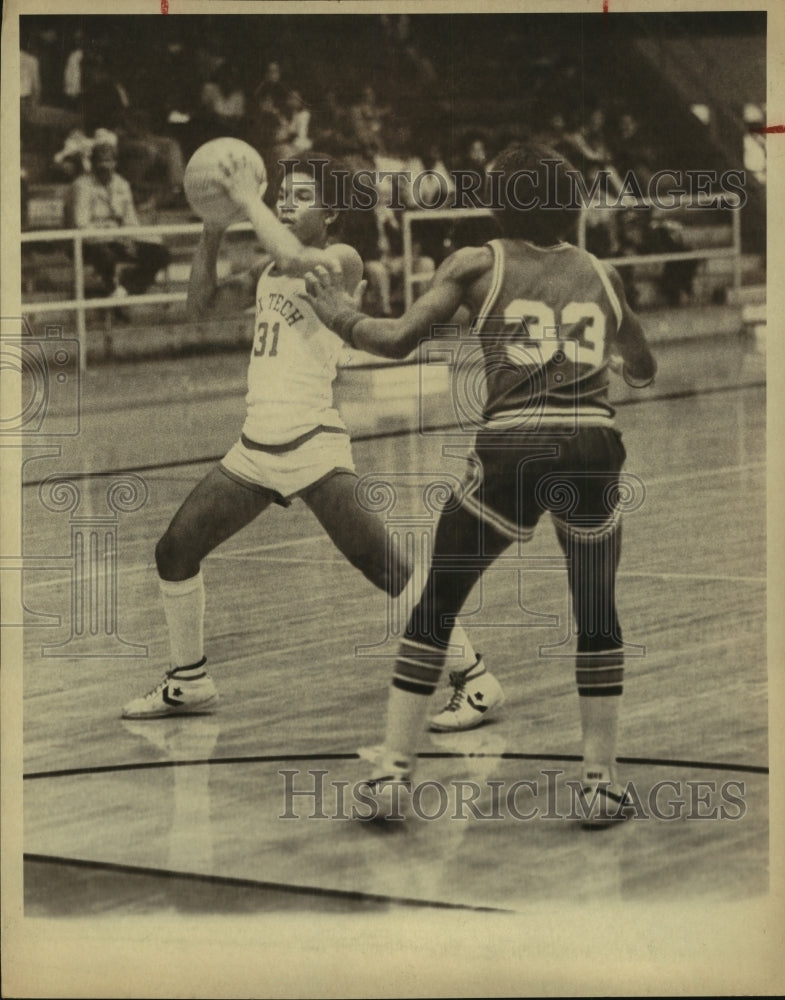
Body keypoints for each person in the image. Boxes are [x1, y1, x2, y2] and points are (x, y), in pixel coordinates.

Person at [303, 143, 657, 825]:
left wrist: (338, 315)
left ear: (499, 202)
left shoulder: (476, 262)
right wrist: (615, 359)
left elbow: (395, 339)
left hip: (514, 442)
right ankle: (599, 782)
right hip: (591, 443)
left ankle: (393, 775)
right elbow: (642, 366)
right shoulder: (603, 274)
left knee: (436, 602)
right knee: (595, 613)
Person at [121, 152, 483, 720]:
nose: (285, 202)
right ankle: (189, 679)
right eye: (280, 193)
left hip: (311, 442)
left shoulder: (340, 259)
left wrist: (245, 199)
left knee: (384, 566)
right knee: (175, 550)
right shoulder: (270, 271)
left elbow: (293, 254)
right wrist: (213, 228)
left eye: (299, 195)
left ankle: (474, 675)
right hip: (256, 446)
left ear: (332, 212)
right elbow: (200, 305)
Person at [64, 142, 170, 302]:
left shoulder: (121, 184)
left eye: (109, 161)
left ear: (115, 163)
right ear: (92, 163)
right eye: (101, 161)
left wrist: (131, 238)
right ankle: (112, 290)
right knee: (105, 255)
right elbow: (81, 225)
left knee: (160, 253)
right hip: (87, 243)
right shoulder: (81, 186)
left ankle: (125, 289)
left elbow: (130, 221)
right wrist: (113, 234)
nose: (105, 166)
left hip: (117, 239)